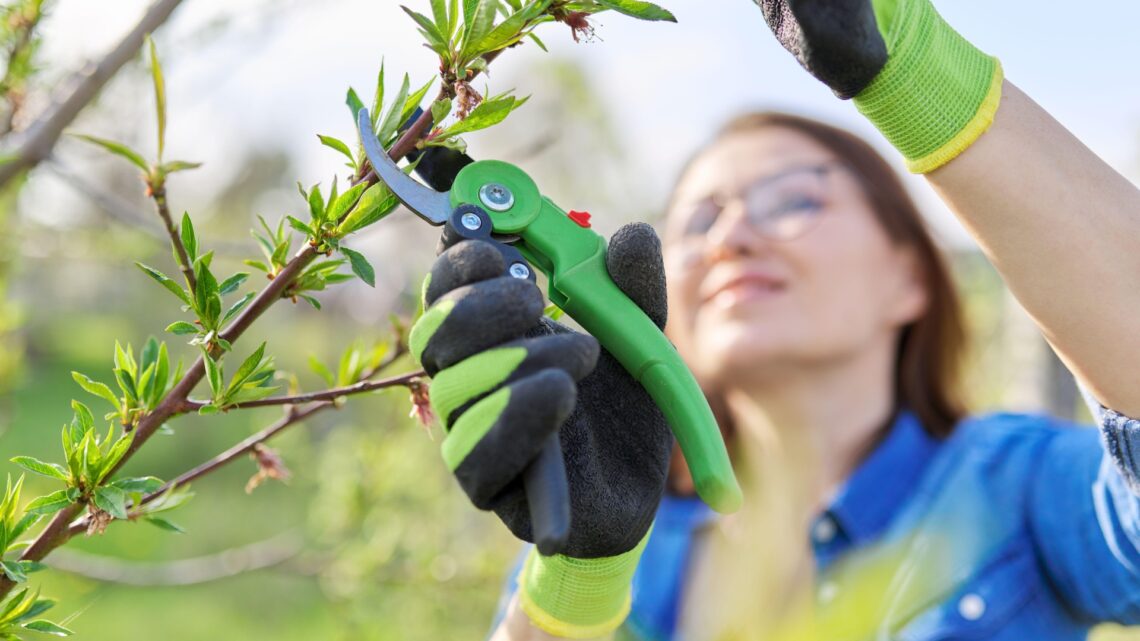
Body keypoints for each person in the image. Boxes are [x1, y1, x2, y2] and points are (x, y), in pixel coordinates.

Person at [405, 0, 1140, 639]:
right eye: (697, 222)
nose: (730, 238)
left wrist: (924, 74)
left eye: (793, 199)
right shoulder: (632, 550)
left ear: (912, 274)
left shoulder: (1016, 483)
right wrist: (574, 593)